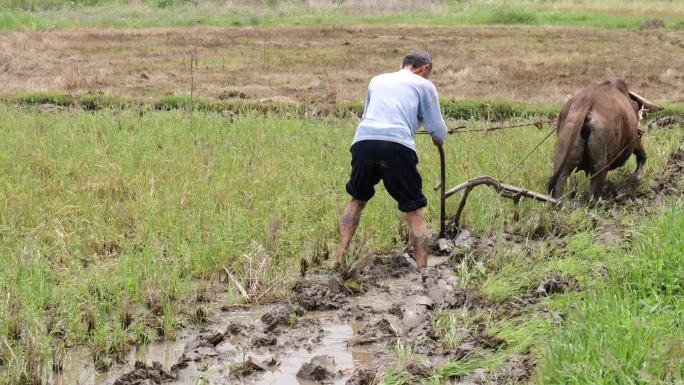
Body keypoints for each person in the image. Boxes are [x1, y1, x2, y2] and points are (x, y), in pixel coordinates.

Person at [335, 49, 447, 269]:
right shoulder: (424, 85)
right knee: (414, 209)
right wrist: (438, 141)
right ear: (424, 69)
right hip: (396, 144)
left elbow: (368, 114)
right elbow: (437, 130)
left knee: (357, 199)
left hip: (363, 140)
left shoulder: (377, 80)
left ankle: (340, 257)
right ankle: (422, 271)